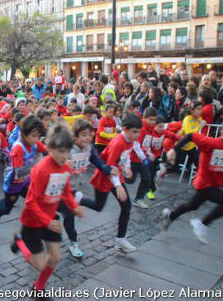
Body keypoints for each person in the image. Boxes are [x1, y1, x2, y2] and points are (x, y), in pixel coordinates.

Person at [10, 123, 83, 299]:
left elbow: (65, 191)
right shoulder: (41, 169)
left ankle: (38, 288)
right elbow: (30, 201)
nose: (64, 156)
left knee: (55, 258)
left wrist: (74, 206)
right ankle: (19, 241)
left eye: (67, 152)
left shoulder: (65, 167)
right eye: (60, 151)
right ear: (50, 148)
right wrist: (47, 221)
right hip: (33, 222)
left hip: (50, 219)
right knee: (41, 264)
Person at [164, 119, 223, 244]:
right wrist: (174, 150)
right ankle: (202, 224)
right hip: (204, 182)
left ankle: (171, 215)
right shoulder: (212, 143)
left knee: (193, 205)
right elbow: (191, 136)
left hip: (215, 183)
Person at [83, 114, 143, 253]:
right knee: (98, 206)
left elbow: (126, 155)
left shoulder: (130, 140)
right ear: (124, 129)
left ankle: (120, 240)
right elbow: (109, 166)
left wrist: (127, 167)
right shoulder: (118, 142)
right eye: (134, 131)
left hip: (116, 175)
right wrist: (118, 186)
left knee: (126, 206)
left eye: (139, 132)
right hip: (105, 176)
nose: (137, 135)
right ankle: (77, 198)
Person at [60, 120, 118, 258]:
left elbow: (99, 163)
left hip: (71, 190)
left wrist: (109, 170)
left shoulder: (89, 149)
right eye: (83, 135)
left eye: (89, 135)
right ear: (75, 136)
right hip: (58, 188)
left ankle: (73, 243)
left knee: (69, 216)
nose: (87, 138)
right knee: (50, 216)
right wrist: (63, 162)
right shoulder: (68, 149)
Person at [0, 115, 46, 225]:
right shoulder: (18, 148)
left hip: (27, 181)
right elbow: (19, 172)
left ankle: (36, 222)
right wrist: (37, 163)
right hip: (14, 183)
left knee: (36, 202)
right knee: (6, 209)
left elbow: (47, 152)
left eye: (38, 136)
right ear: (25, 133)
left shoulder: (35, 143)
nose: (36, 139)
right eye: (34, 136)